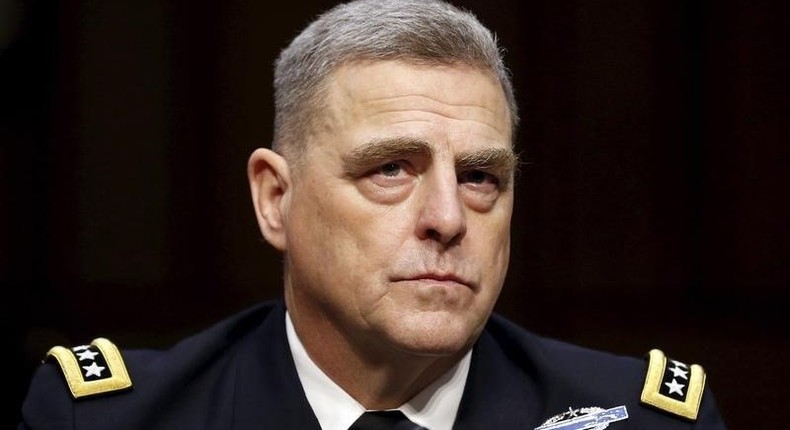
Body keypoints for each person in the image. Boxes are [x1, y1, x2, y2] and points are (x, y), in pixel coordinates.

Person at [18, 0, 729, 429]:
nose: (448, 218)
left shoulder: (641, 420)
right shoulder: (111, 420)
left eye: (481, 176)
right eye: (391, 169)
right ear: (275, 199)